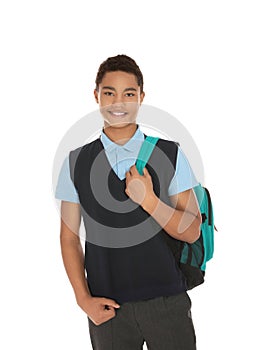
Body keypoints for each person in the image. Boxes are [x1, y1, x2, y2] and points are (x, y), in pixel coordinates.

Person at [55, 54, 202, 349]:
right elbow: (69, 238)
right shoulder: (75, 162)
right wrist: (83, 300)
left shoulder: (170, 154)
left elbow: (191, 231)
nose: (118, 103)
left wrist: (149, 200)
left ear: (141, 97)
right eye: (109, 93)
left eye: (129, 94)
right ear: (96, 96)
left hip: (167, 301)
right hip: (108, 308)